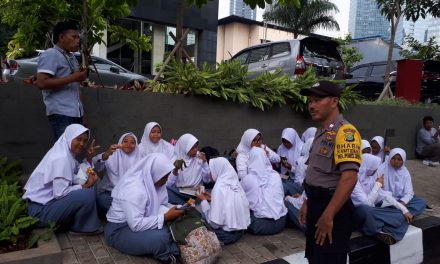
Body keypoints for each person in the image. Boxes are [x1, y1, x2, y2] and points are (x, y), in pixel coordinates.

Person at [298, 81, 362, 264]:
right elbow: (318, 174)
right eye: (310, 101)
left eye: (317, 100)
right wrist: (308, 201)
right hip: (317, 204)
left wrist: (328, 215)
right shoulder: (322, 132)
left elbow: (349, 178)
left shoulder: (345, 132)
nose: (311, 105)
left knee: (329, 259)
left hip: (333, 209)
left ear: (334, 101)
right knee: (315, 256)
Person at [22, 124, 101, 234]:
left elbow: (79, 171)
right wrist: (85, 186)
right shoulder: (62, 158)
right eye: (78, 139)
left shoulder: (66, 154)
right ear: (69, 137)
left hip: (46, 205)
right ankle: (81, 227)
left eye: (85, 141)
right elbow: (60, 193)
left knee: (89, 182)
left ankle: (80, 221)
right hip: (40, 213)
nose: (82, 144)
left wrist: (89, 159)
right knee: (86, 192)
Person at [105, 153, 182, 263]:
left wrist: (178, 208)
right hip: (119, 230)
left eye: (167, 176)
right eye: (164, 177)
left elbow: (160, 204)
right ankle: (167, 256)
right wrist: (165, 217)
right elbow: (136, 225)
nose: (166, 180)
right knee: (162, 236)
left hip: (136, 223)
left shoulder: (154, 182)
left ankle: (175, 249)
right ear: (155, 173)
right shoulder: (134, 190)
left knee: (173, 226)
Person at [36, 21, 89, 141]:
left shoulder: (72, 57)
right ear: (61, 37)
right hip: (61, 113)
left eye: (78, 37)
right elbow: (41, 83)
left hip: (76, 114)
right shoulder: (51, 54)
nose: (77, 41)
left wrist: (82, 114)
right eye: (74, 37)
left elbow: (76, 87)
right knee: (64, 153)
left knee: (73, 152)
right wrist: (74, 77)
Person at [351, 153, 410, 245]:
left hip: (373, 212)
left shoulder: (369, 177)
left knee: (401, 215)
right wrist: (377, 185)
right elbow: (366, 203)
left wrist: (404, 209)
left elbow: (385, 195)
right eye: (374, 168)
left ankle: (383, 232)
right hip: (358, 213)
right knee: (367, 210)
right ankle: (377, 230)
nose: (376, 171)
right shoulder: (354, 180)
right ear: (368, 166)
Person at [196, 157, 250, 245]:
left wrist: (203, 201)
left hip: (225, 235)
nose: (209, 174)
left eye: (211, 170)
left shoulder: (218, 188)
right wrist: (212, 197)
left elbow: (214, 224)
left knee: (198, 215)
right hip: (240, 232)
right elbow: (228, 203)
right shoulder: (236, 183)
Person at [241, 147, 287, 235]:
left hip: (260, 225)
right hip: (281, 222)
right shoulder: (276, 175)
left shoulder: (248, 179)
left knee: (238, 206)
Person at [95, 132, 140, 217]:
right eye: (125, 141)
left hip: (131, 195)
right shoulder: (112, 155)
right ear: (120, 143)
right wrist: (106, 154)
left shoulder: (140, 159)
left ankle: (123, 215)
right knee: (103, 201)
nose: (128, 144)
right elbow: (96, 167)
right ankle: (127, 215)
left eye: (132, 142)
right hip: (111, 193)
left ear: (136, 145)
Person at [379, 148, 426, 218]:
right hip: (386, 200)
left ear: (403, 160)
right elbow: (378, 190)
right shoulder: (382, 168)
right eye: (393, 158)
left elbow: (409, 192)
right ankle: (401, 215)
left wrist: (402, 203)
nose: (395, 161)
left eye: (399, 159)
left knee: (421, 202)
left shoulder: (405, 172)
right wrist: (396, 204)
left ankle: (395, 215)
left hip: (400, 200)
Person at [166, 133, 210, 204]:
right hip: (181, 193)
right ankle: (186, 205)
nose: (195, 150)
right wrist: (175, 170)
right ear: (184, 147)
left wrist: (205, 163)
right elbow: (168, 184)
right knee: (167, 191)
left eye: (196, 147)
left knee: (213, 192)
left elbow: (207, 180)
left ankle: (188, 205)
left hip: (198, 193)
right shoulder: (175, 160)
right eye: (192, 148)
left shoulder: (199, 157)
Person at [284, 138, 313, 232]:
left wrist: (287, 198)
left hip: (313, 224)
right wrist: (302, 197)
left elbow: (303, 202)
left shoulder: (311, 170)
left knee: (284, 203)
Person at [277, 128, 304, 195]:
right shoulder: (281, 148)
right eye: (283, 141)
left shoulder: (302, 149)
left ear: (293, 140)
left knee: (283, 187)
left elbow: (303, 172)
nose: (285, 144)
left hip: (299, 180)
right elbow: (278, 164)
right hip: (286, 176)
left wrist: (291, 168)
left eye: (288, 142)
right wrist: (280, 162)